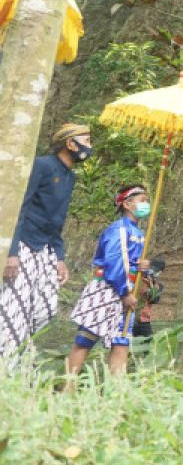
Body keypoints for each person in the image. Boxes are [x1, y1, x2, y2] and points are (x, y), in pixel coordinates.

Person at [0, 123, 92, 358]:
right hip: (23, 245)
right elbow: (20, 207)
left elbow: (57, 220)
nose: (89, 146)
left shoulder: (69, 177)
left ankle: (20, 357)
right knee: (15, 310)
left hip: (46, 248)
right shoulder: (42, 165)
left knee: (44, 310)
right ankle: (8, 367)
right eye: (86, 140)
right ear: (70, 143)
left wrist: (59, 258)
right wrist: (12, 252)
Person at [66, 185, 151, 376]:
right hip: (108, 289)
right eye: (143, 200)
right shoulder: (119, 229)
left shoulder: (138, 233)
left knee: (121, 342)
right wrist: (124, 293)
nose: (147, 204)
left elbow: (130, 263)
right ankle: (68, 387)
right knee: (85, 339)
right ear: (128, 204)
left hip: (127, 291)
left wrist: (141, 267)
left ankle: (116, 395)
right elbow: (114, 262)